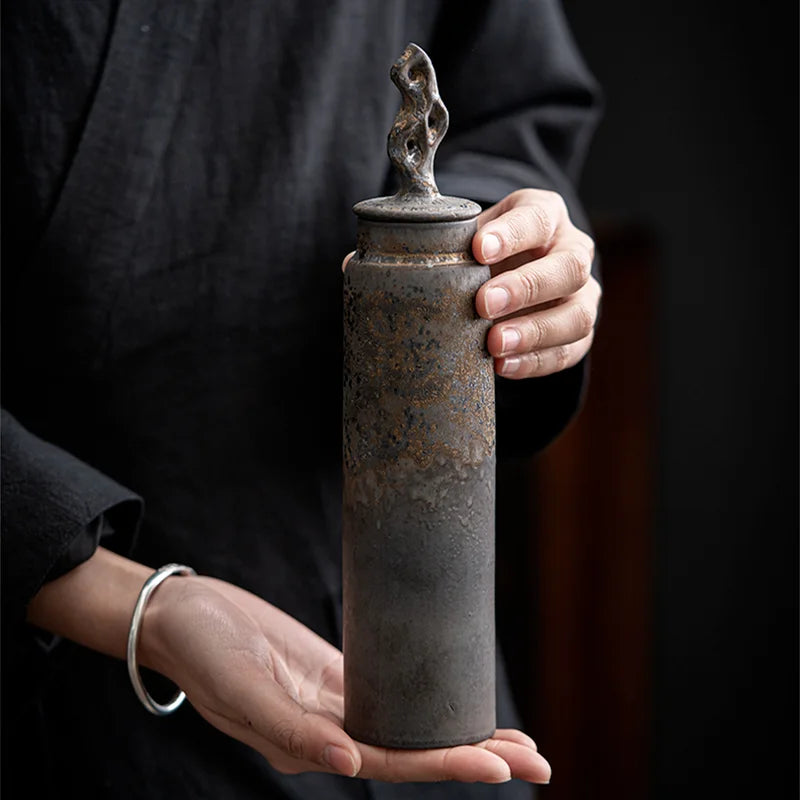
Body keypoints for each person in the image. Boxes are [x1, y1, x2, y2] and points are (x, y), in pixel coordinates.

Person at [1, 1, 601, 797]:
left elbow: (514, 104)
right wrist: (108, 591)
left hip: (363, 575)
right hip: (49, 607)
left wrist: (511, 262)